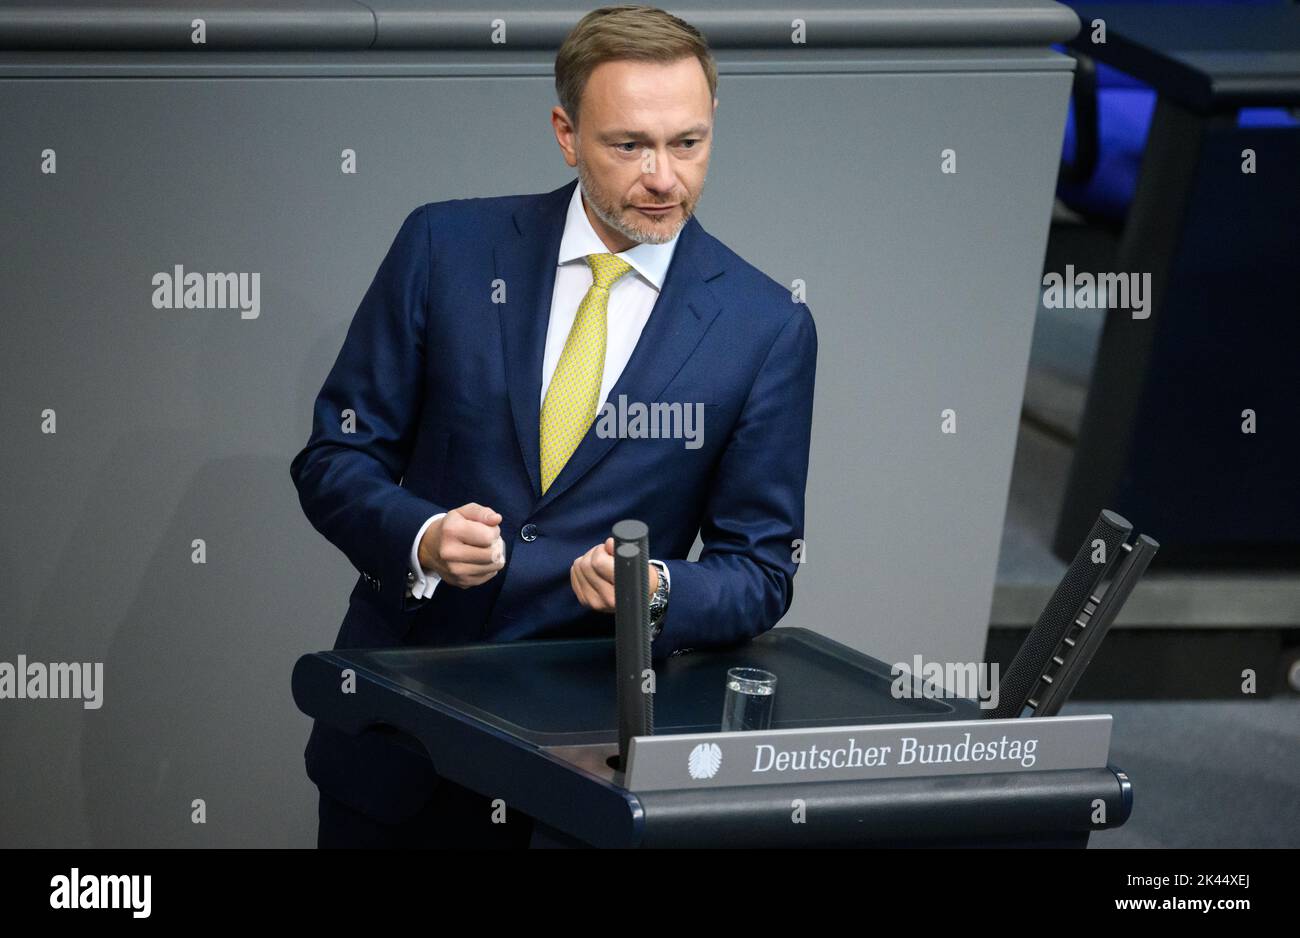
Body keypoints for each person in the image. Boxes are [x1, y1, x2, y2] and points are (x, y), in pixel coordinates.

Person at [290, 4, 818, 848]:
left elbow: (761, 568)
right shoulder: (445, 248)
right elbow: (334, 456)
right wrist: (422, 536)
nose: (664, 177)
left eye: (688, 143)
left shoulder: (766, 328)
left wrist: (658, 592)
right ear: (567, 134)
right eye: (629, 145)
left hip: (582, 777)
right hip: (400, 747)